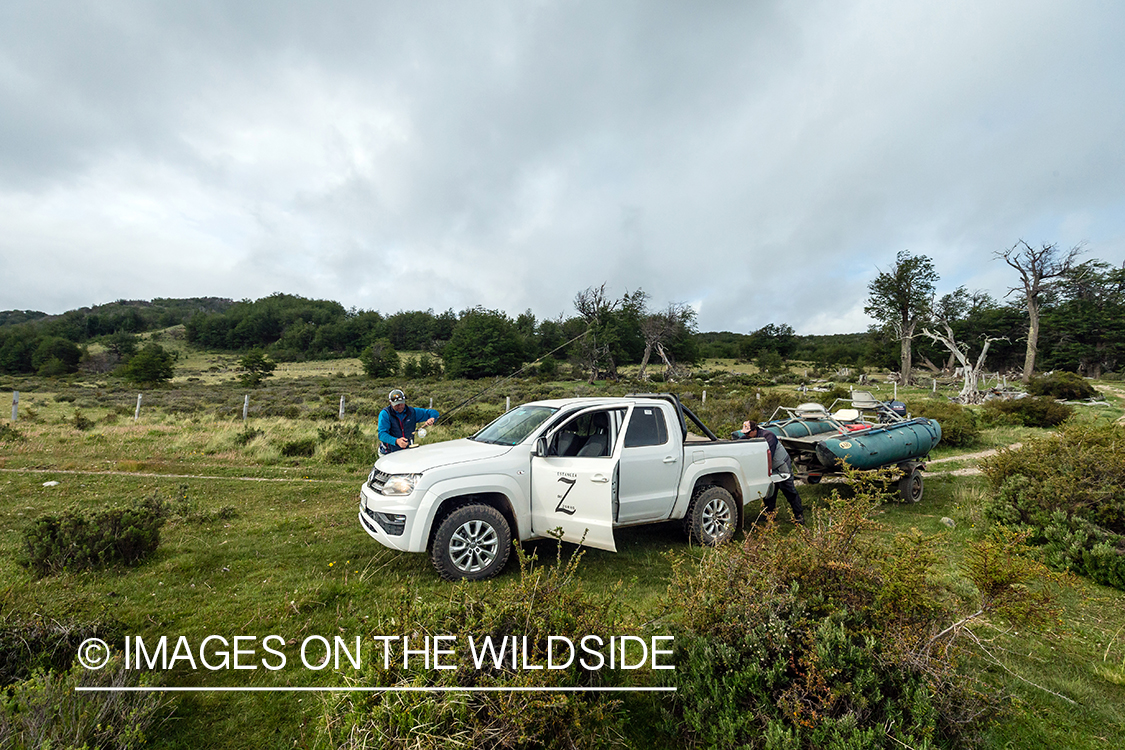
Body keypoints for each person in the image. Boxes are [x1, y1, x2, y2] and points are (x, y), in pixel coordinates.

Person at [734, 420, 805, 525]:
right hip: (769, 466)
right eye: (744, 433)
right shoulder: (749, 437)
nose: (746, 435)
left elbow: (768, 456)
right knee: (769, 492)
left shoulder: (769, 436)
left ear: (755, 430)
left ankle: (799, 516)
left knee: (789, 491)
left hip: (781, 465)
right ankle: (770, 516)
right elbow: (739, 444)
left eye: (748, 433)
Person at [378, 389, 440, 455]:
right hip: (388, 453)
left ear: (404, 401)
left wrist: (432, 418)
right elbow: (382, 434)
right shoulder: (385, 414)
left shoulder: (412, 412)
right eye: (396, 404)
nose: (399, 406)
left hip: (408, 451)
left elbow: (433, 412)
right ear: (390, 403)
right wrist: (396, 441)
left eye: (401, 403)